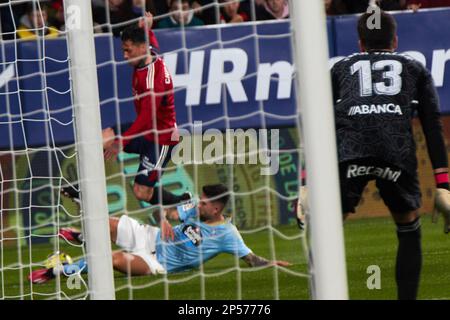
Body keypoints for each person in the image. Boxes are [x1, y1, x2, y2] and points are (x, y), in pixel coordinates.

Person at [330, 10, 450, 300]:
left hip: (350, 150)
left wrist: (309, 179)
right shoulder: (415, 68)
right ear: (395, 40)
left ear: (360, 44)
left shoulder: (338, 69)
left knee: (328, 228)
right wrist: (444, 184)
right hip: (394, 151)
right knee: (408, 223)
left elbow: (321, 123)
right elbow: (432, 126)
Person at [29, 184, 291, 283]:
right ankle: (83, 210)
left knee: (113, 260)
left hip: (157, 262)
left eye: (203, 203)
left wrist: (272, 263)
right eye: (198, 201)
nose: (198, 204)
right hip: (150, 236)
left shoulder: (227, 234)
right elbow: (165, 211)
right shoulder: (193, 210)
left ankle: (56, 271)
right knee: (102, 223)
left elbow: (250, 259)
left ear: (217, 208)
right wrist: (165, 218)